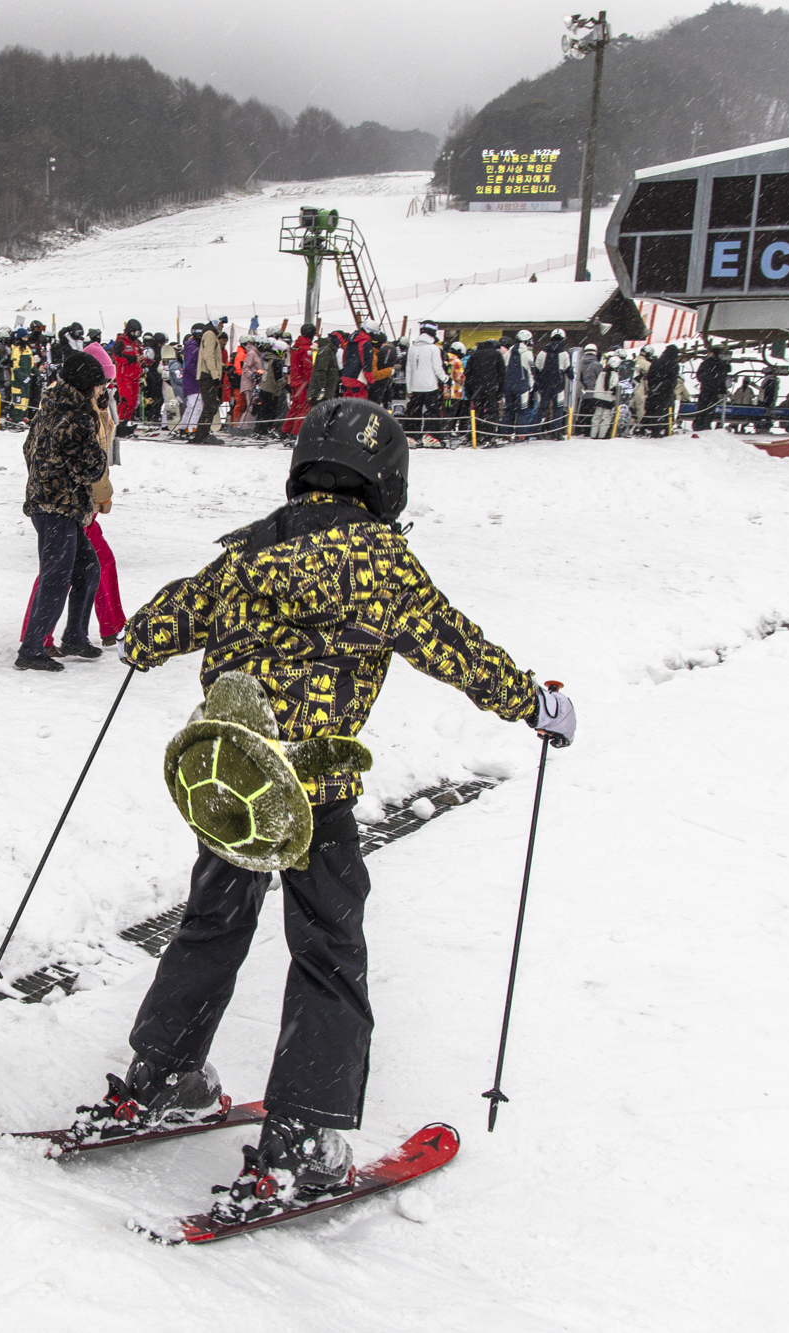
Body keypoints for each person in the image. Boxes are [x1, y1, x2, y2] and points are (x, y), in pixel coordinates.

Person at [71, 397, 575, 1216]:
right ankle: (302, 1134)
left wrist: (150, 637)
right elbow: (456, 646)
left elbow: (163, 621)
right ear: (386, 480)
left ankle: (161, 1073)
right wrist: (533, 703)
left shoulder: (254, 547)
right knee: (328, 947)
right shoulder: (382, 563)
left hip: (234, 782)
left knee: (211, 922)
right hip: (313, 792)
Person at [16, 351, 112, 671]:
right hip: (59, 506)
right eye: (99, 384)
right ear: (88, 385)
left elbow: (28, 449)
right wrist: (99, 452)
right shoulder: (77, 417)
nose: (101, 390)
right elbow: (89, 469)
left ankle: (74, 636)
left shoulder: (50, 408)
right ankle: (32, 649)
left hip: (48, 503)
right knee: (56, 578)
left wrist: (44, 476)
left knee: (88, 567)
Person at [402, 320, 447, 438]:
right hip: (430, 386)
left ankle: (411, 435)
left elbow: (408, 370)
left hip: (415, 386)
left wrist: (409, 388)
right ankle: (431, 435)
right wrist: (446, 379)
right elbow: (437, 368)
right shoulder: (434, 349)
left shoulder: (412, 348)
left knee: (413, 412)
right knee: (433, 412)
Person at [691, 343, 730, 434]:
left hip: (705, 389)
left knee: (701, 407)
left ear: (712, 353)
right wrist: (721, 388)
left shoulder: (705, 363)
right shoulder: (721, 365)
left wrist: (705, 382)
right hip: (715, 391)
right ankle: (706, 425)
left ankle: (698, 425)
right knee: (710, 409)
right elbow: (723, 378)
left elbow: (699, 375)